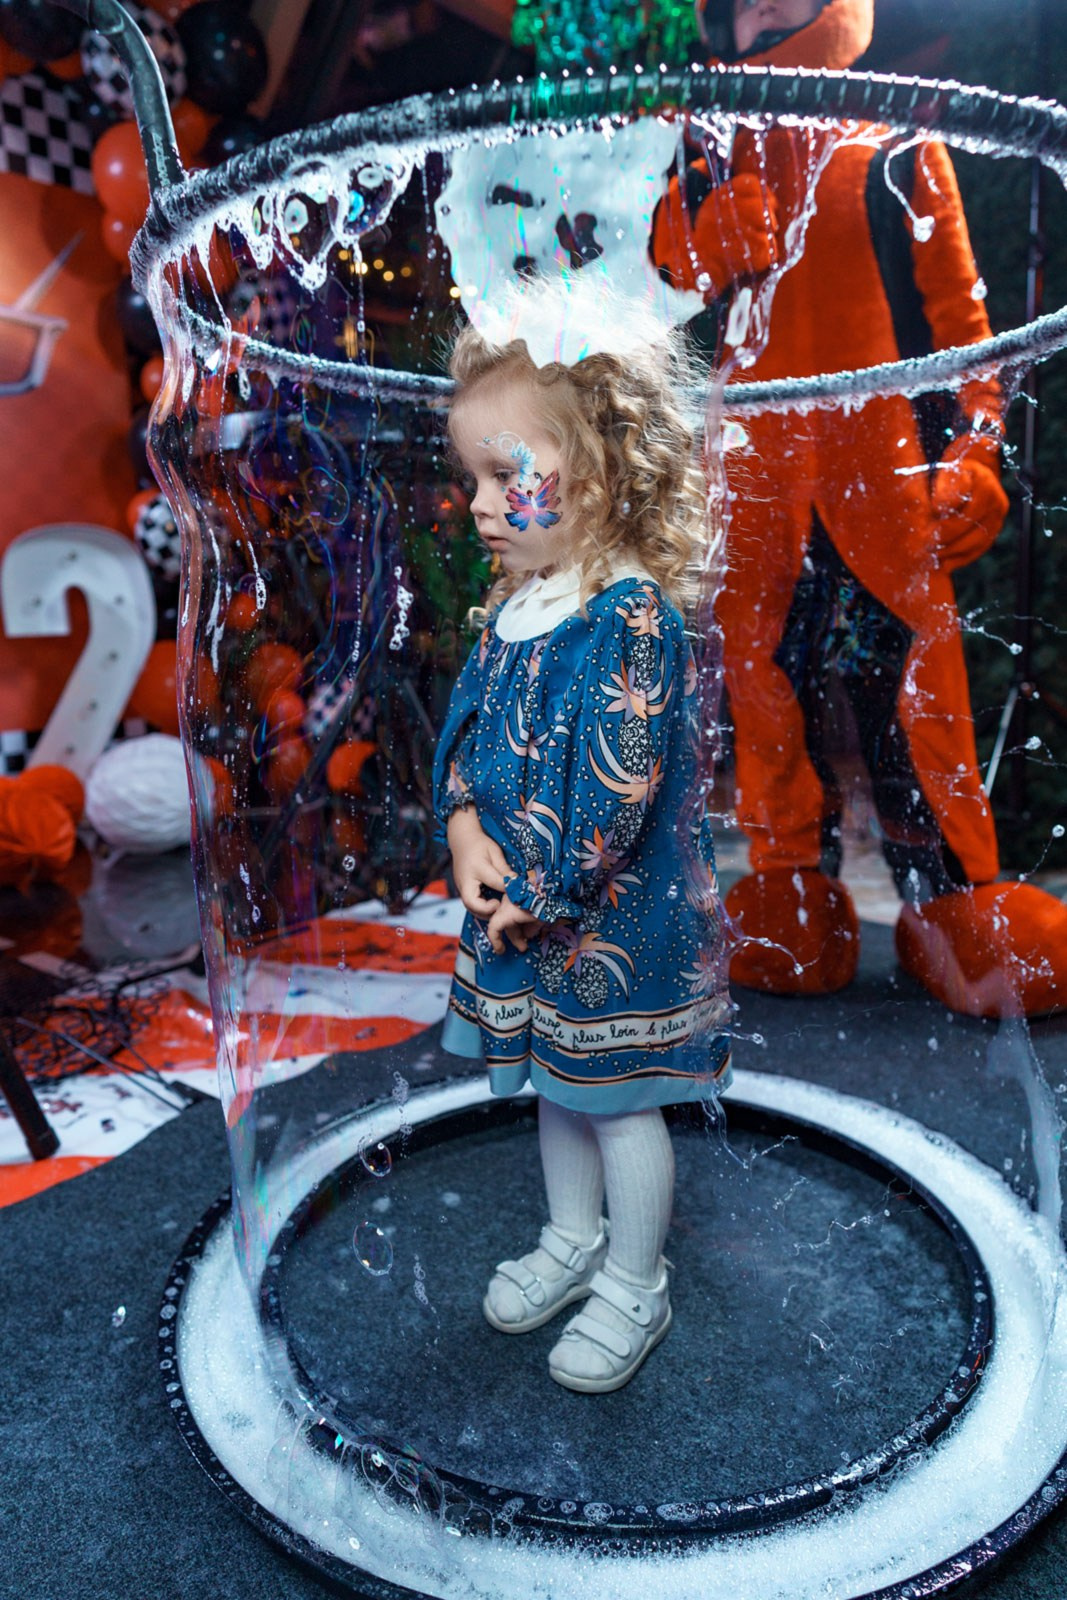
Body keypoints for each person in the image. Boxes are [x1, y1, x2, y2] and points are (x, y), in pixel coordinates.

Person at [650, 0, 1067, 1018]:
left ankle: (956, 900)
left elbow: (962, 323)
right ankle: (785, 885)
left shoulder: (896, 143)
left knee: (916, 690)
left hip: (880, 480)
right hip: (754, 488)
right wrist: (705, 234)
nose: (760, 9)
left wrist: (971, 452)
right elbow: (660, 275)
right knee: (762, 687)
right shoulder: (705, 146)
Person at [432, 275, 731, 1394]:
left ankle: (634, 1279)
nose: (478, 501)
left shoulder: (627, 614)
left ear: (597, 470)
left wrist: (542, 889)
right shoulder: (512, 609)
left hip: (608, 922)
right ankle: (573, 1239)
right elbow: (466, 729)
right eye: (474, 477)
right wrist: (463, 825)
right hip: (519, 908)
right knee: (559, 1086)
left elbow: (621, 779)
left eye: (506, 474)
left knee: (618, 1099)